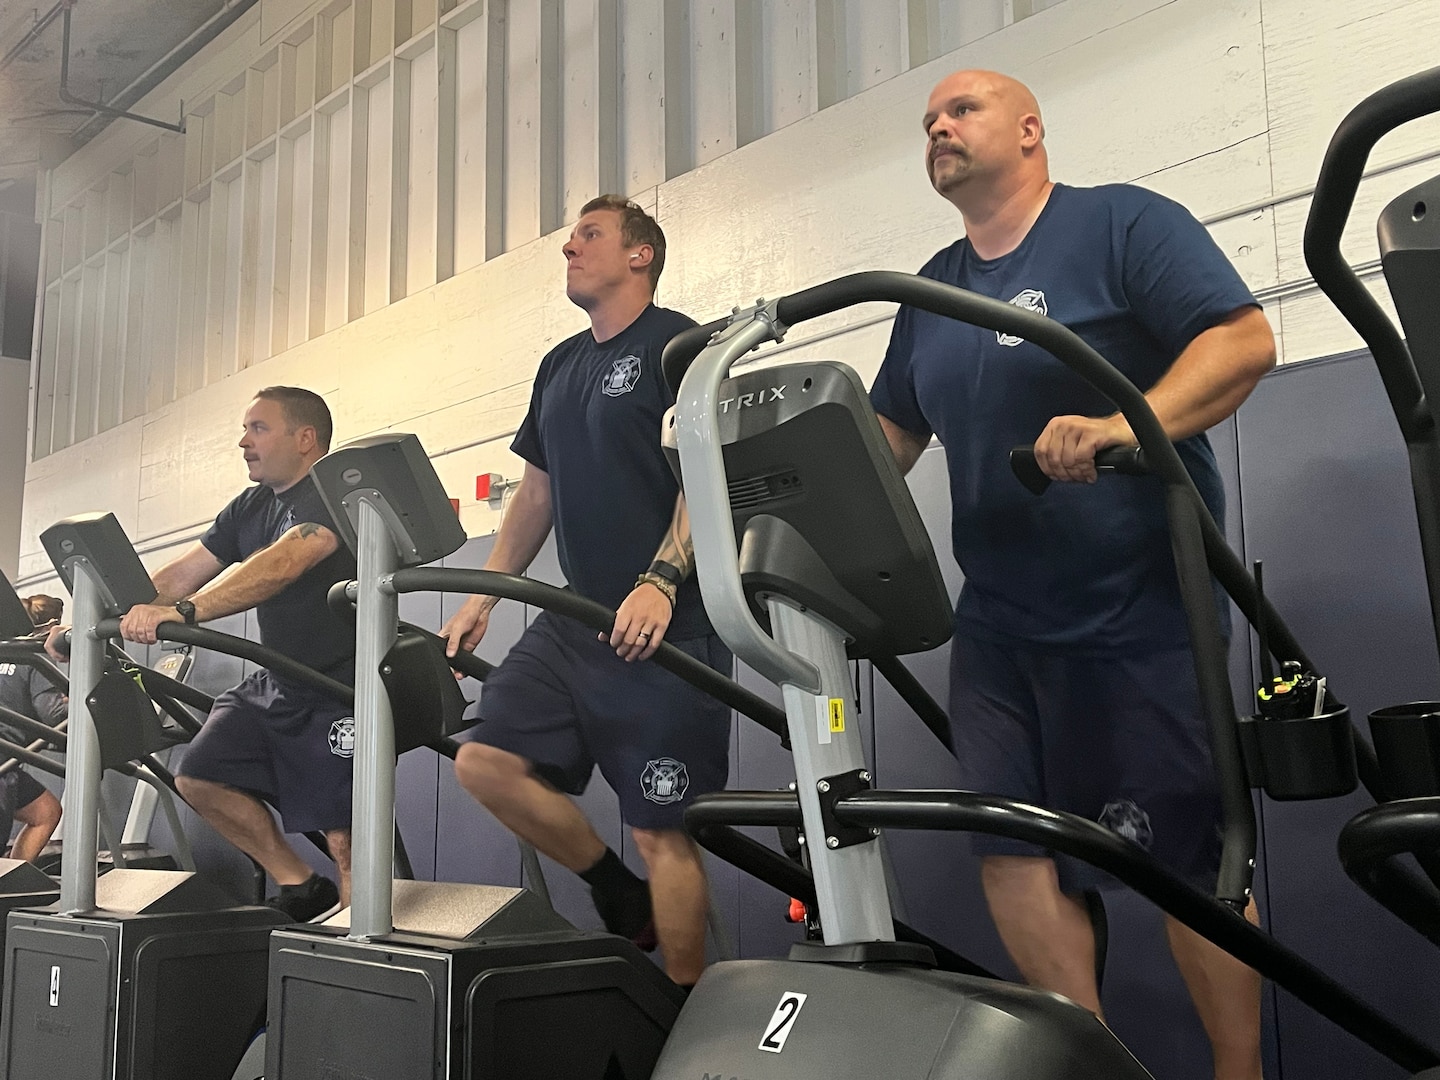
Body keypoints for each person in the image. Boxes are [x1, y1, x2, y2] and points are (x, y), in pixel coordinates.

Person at [868, 70, 1276, 1080]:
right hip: (1002, 623)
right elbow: (886, 439)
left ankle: (1236, 1072)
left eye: (960, 112)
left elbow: (1245, 340)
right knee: (1009, 850)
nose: (940, 129)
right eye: (929, 123)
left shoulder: (1122, 227)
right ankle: (1088, 1065)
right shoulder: (927, 290)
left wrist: (1119, 421)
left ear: (1030, 127)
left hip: (1141, 603)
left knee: (1190, 860)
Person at [440, 194, 732, 988]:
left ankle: (682, 1010)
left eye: (589, 235)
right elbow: (534, 495)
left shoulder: (679, 344)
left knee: (662, 833)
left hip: (668, 628)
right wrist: (485, 593)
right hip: (575, 620)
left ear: (641, 254)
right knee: (483, 763)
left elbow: (705, 480)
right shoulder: (560, 365)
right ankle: (614, 890)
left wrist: (661, 581)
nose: (569, 248)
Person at [52, 387, 359, 921]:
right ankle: (301, 884)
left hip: (340, 684)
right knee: (198, 776)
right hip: (278, 680)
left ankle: (362, 947)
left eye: (258, 428)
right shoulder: (252, 506)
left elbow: (284, 563)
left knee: (346, 836)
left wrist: (187, 613)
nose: (243, 441)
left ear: (306, 438)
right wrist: (86, 621)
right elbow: (179, 576)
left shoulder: (332, 494)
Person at [0, 595, 65, 862]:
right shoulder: (33, 659)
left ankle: (12, 879)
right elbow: (53, 714)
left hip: (8, 758)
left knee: (45, 812)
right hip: (3, 763)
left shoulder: (5, 650)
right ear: (50, 626)